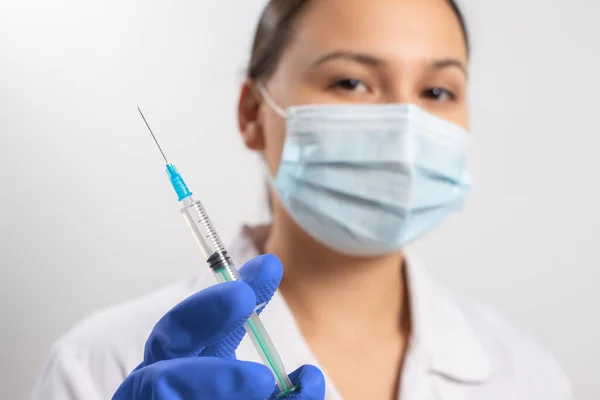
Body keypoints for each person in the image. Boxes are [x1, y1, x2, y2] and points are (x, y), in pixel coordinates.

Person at [32, 0, 573, 399]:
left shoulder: (529, 376)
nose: (405, 128)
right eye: (351, 82)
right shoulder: (100, 365)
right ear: (252, 115)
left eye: (437, 91)